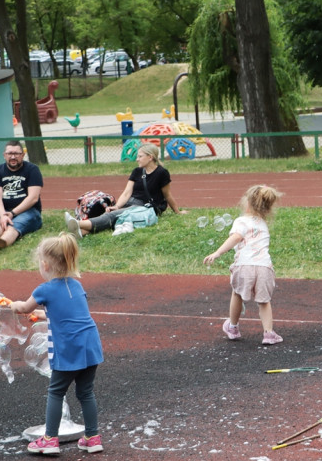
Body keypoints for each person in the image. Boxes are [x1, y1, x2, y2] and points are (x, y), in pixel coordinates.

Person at [10, 234, 104, 455]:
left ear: (45, 264)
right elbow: (68, 313)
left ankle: (50, 439)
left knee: (56, 391)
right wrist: (42, 316)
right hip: (90, 345)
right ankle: (93, 437)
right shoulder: (77, 285)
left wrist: (15, 305)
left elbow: (24, 307)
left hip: (68, 347)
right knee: (86, 392)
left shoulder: (44, 289)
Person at [203, 185, 283, 345]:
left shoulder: (241, 221)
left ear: (247, 203)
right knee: (264, 301)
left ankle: (233, 327)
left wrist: (218, 252)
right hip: (264, 267)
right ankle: (269, 334)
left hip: (244, 266)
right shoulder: (263, 224)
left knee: (237, 294)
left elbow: (236, 237)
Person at [64, 143, 186, 237]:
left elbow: (167, 195)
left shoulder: (161, 173)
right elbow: (127, 193)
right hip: (131, 203)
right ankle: (79, 233)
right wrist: (117, 206)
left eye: (140, 156)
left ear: (150, 157)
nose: (137, 159)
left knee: (113, 216)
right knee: (112, 214)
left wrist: (177, 212)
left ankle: (77, 223)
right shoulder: (137, 171)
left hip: (147, 207)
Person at [0, 140, 43, 254]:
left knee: (14, 226)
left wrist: (12, 214)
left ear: (23, 155)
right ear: (4, 155)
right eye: (10, 153)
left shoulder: (32, 170)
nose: (13, 157)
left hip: (29, 211)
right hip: (4, 210)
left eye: (16, 154)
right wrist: (3, 215)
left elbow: (33, 198)